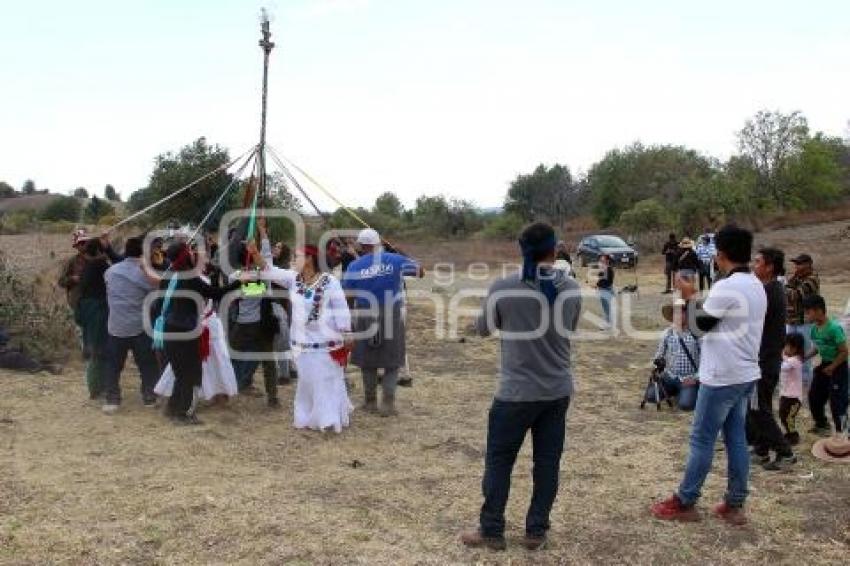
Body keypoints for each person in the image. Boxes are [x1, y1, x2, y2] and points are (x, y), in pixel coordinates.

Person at [460, 222, 581, 552]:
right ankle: (536, 530)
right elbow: (568, 327)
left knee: (499, 460)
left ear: (521, 249)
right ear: (554, 249)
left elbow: (483, 329)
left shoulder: (504, 286)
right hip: (556, 390)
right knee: (547, 463)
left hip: (515, 392)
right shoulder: (571, 287)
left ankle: (492, 530)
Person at [651, 224, 766, 526]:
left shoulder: (726, 287)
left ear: (720, 254)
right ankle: (734, 503)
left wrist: (689, 296)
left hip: (721, 376)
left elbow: (699, 326)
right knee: (736, 438)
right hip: (745, 374)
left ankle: (686, 501)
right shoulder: (755, 284)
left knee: (702, 439)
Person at [251, 242, 354, 433]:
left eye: (295, 258)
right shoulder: (293, 279)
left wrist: (346, 333)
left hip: (326, 343)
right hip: (302, 343)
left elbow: (341, 308)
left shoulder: (330, 281)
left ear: (308, 259)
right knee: (307, 381)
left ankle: (328, 419)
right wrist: (255, 253)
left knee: (324, 380)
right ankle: (307, 416)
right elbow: (268, 269)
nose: (292, 262)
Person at [154, 242, 242, 425]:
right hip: (188, 331)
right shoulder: (192, 278)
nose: (198, 255)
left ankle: (174, 408)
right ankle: (184, 413)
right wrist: (242, 284)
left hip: (174, 330)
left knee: (182, 373)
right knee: (190, 374)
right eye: (194, 252)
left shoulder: (171, 276)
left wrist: (254, 286)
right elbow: (218, 294)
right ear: (186, 257)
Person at [342, 228, 423, 417]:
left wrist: (350, 321)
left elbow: (348, 295)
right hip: (390, 313)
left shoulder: (354, 266)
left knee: (367, 360)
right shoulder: (395, 260)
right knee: (392, 360)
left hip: (364, 313)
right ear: (378, 243)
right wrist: (402, 252)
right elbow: (420, 271)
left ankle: (370, 402)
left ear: (361, 246)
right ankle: (387, 404)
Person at [101, 237, 161, 413]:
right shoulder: (145, 274)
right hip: (139, 326)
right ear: (143, 253)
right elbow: (158, 289)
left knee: (113, 365)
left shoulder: (110, 272)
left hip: (115, 326)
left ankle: (112, 399)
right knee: (147, 364)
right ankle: (149, 396)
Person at [748, 248, 796, 470]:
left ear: (769, 267)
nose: (753, 265)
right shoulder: (771, 289)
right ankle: (761, 450)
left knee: (759, 408)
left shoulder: (769, 292)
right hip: (766, 359)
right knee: (758, 406)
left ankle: (785, 453)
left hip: (764, 361)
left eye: (758, 262)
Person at [229, 219, 282, 406]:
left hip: (244, 323)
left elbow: (265, 256)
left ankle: (226, 389)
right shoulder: (265, 274)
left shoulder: (235, 277)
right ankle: (273, 397)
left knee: (230, 356)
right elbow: (267, 256)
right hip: (261, 324)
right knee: (268, 361)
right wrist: (262, 231)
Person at [803, 295, 849, 436]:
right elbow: (818, 347)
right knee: (814, 396)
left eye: (808, 312)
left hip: (838, 367)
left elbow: (844, 352)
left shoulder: (834, 328)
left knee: (837, 403)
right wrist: (804, 357)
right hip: (825, 366)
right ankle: (821, 424)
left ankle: (844, 432)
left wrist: (833, 367)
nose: (806, 315)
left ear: (819, 311)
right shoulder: (814, 329)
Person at [76, 238, 112, 399]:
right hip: (98, 311)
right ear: (98, 251)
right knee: (99, 351)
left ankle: (95, 387)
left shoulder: (87, 267)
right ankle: (97, 388)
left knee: (93, 348)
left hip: (87, 310)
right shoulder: (101, 266)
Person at [654, 299, 700, 411]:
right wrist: (657, 366)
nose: (677, 316)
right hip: (670, 376)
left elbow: (707, 360)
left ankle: (688, 391)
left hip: (689, 378)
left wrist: (696, 378)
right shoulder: (668, 333)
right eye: (675, 312)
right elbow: (659, 354)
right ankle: (677, 391)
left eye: (681, 312)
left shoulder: (697, 334)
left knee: (685, 405)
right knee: (652, 397)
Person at [785, 253, 819, 388]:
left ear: (808, 265)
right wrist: (789, 284)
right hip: (792, 320)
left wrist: (786, 287)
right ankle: (793, 376)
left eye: (799, 264)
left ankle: (805, 380)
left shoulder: (812, 279)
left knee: (804, 350)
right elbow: (788, 290)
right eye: (796, 264)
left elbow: (795, 295)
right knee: (791, 349)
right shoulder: (796, 278)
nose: (796, 266)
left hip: (805, 321)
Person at [778, 333, 805, 446]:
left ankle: (793, 436)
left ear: (795, 348)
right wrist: (782, 354)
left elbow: (782, 366)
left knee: (789, 418)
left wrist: (779, 355)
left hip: (794, 398)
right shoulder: (791, 358)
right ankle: (789, 434)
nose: (785, 349)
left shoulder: (795, 361)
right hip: (786, 395)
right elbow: (784, 358)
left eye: (787, 346)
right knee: (783, 415)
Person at [595, 254, 615, 328]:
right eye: (600, 260)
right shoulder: (604, 269)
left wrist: (598, 285)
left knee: (606, 308)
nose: (601, 262)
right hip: (604, 290)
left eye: (602, 260)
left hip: (606, 291)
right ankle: (608, 322)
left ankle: (607, 323)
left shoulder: (609, 270)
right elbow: (600, 278)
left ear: (607, 261)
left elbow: (607, 282)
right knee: (606, 308)